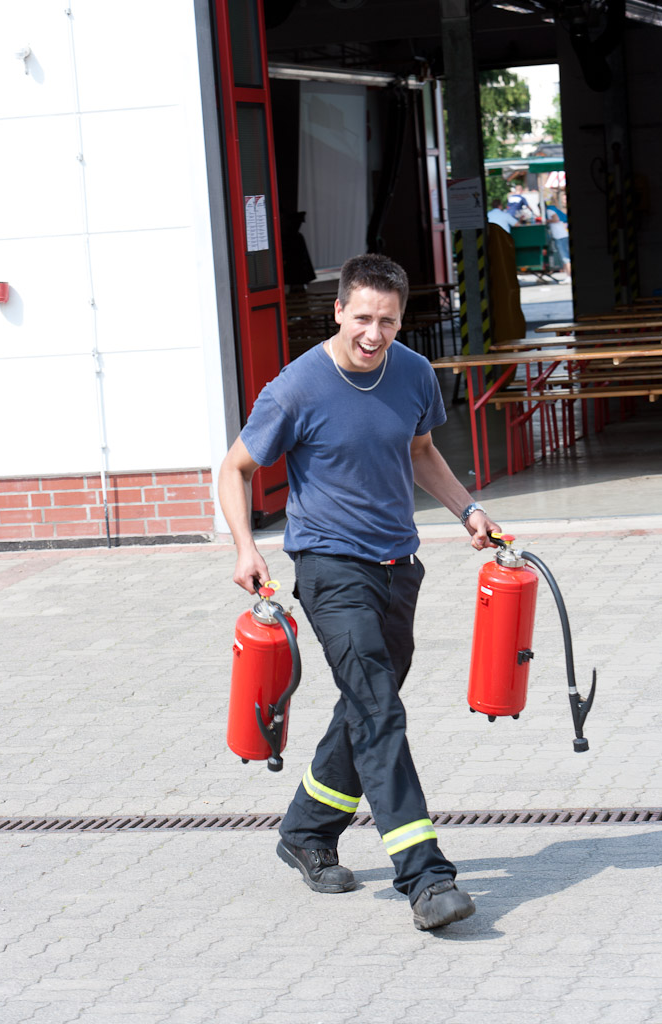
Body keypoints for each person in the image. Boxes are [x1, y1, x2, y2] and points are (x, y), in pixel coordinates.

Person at [218, 253, 500, 932]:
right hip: (329, 568)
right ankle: (425, 878)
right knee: (378, 710)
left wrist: (467, 510)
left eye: (389, 321)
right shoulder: (296, 388)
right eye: (364, 318)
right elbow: (234, 468)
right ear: (339, 310)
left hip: (399, 567)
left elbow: (420, 451)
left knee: (367, 702)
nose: (375, 334)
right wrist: (246, 547)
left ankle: (306, 829)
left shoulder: (413, 373)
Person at [548, 212, 571, 277]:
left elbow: (556, 219)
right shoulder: (554, 209)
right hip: (561, 236)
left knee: (565, 258)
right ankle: (568, 275)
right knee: (564, 258)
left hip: (560, 237)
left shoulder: (550, 210)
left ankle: (569, 276)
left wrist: (546, 221)